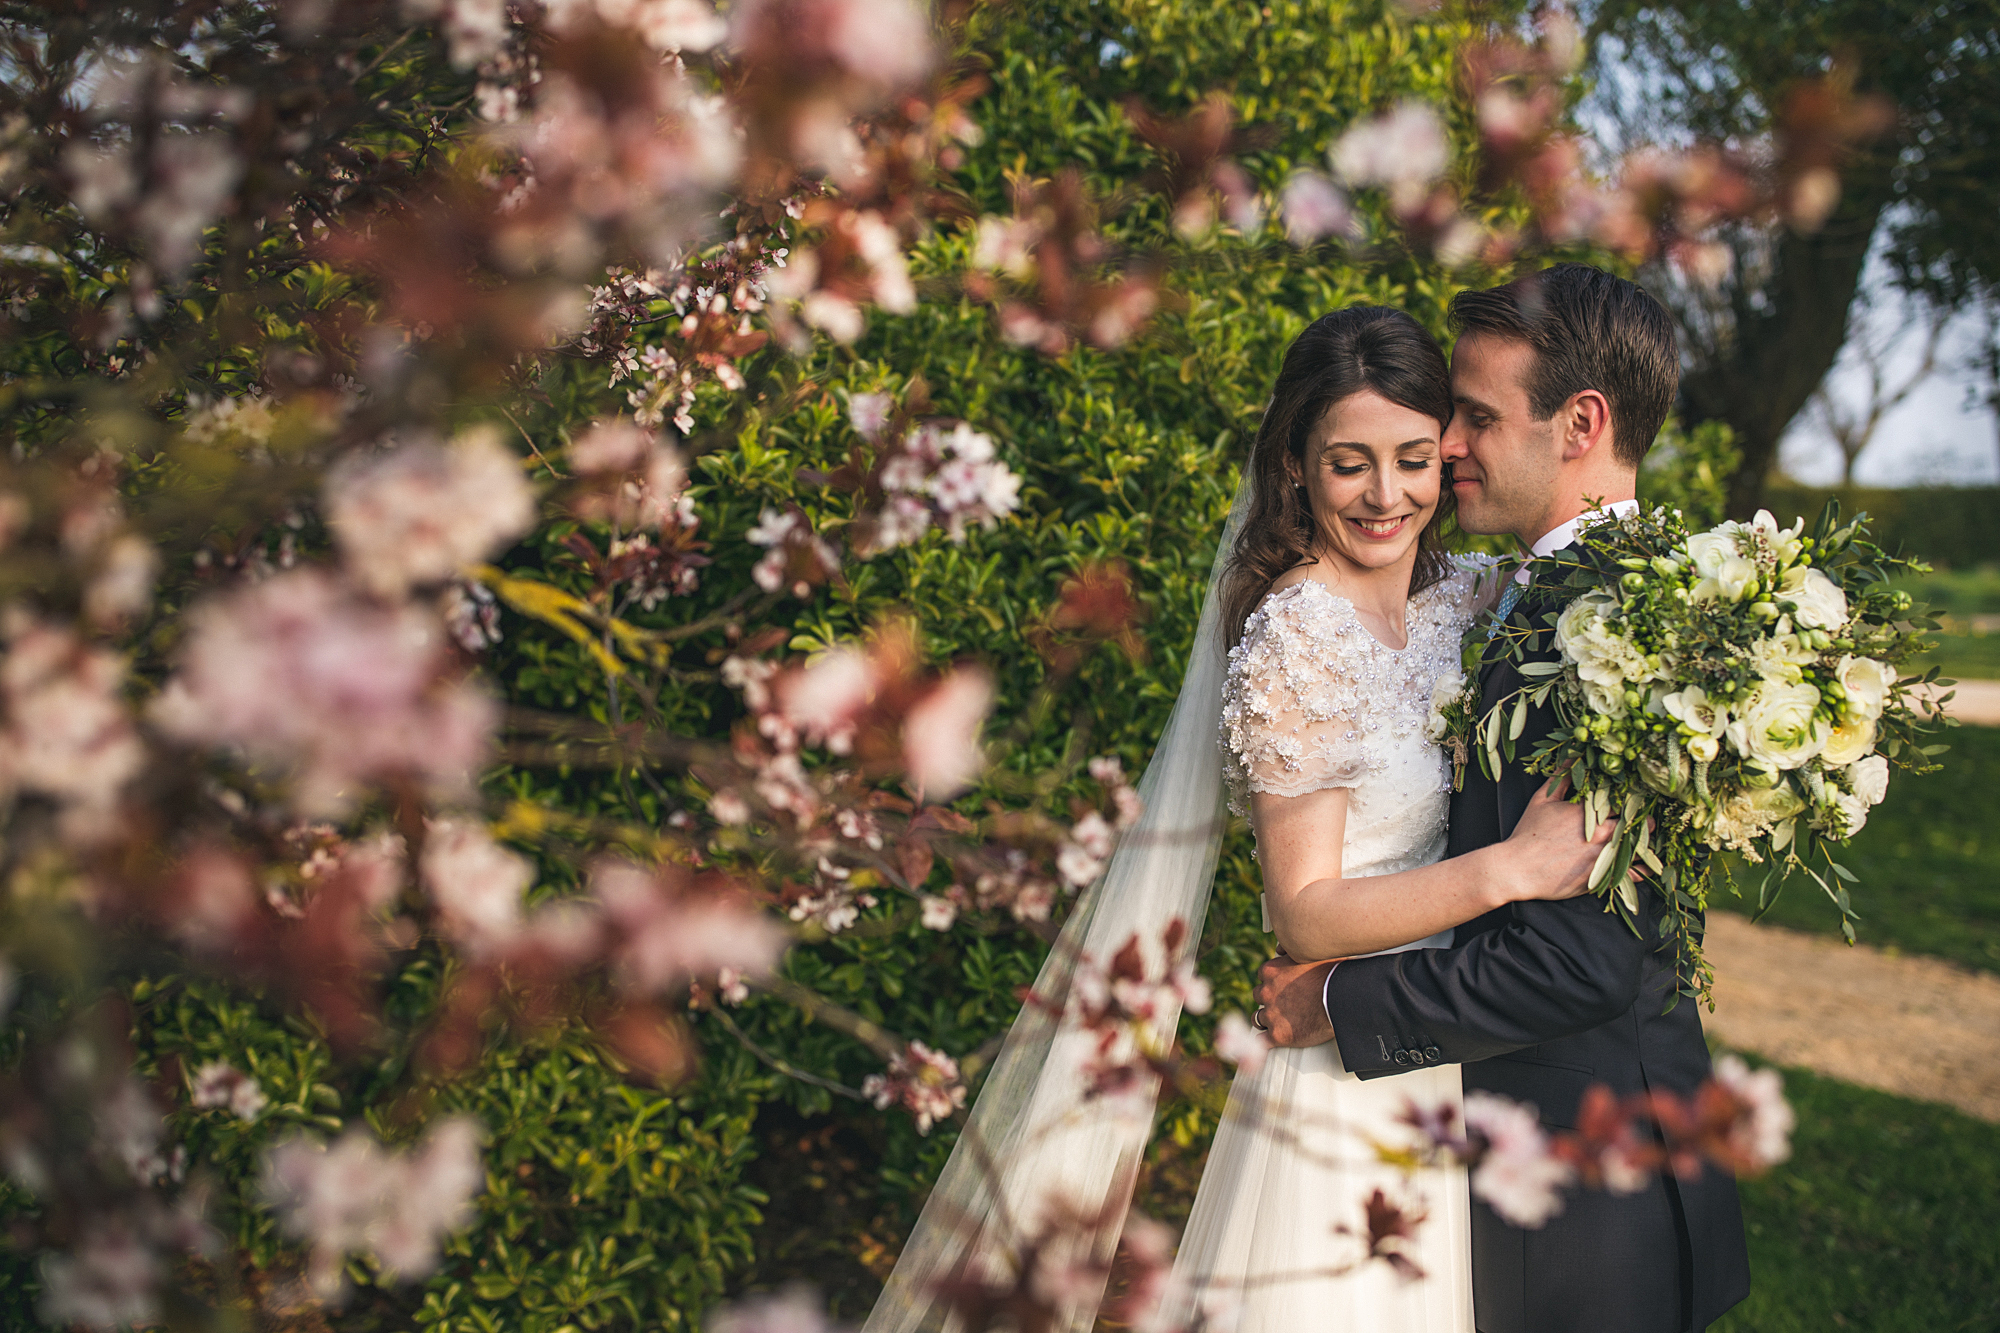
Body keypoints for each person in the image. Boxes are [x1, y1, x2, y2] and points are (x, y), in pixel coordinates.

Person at [1254, 265, 1752, 1333]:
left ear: (1579, 422)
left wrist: (1338, 1004)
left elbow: (1580, 960)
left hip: (1579, 1201)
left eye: (1472, 417)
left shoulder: (1608, 634)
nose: (1444, 449)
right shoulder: (1551, 595)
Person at [1162, 305, 1616, 1332]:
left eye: (1412, 459)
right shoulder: (1296, 632)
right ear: (1294, 467)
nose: (1383, 496)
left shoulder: (1469, 596)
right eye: (1346, 464)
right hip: (1348, 1068)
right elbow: (1305, 916)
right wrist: (1509, 868)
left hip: (1459, 1035)